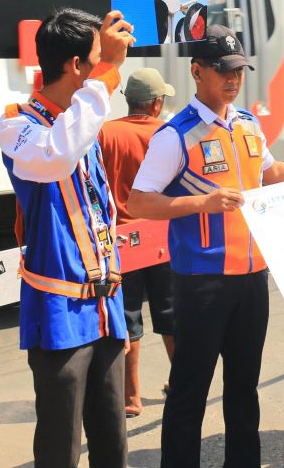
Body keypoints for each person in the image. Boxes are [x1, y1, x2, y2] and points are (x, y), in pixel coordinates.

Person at [128, 25, 284, 468]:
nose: (233, 78)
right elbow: (139, 201)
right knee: (190, 390)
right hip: (201, 283)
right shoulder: (174, 134)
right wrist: (202, 201)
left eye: (239, 70)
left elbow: (273, 173)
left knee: (244, 387)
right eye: (223, 70)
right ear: (197, 71)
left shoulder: (247, 124)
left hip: (252, 280)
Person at [0, 8, 135, 468]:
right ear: (77, 66)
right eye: (99, 59)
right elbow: (55, 157)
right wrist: (107, 78)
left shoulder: (84, 120)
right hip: (58, 313)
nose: (107, 69)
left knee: (112, 441)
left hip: (105, 307)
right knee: (60, 448)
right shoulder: (18, 123)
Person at [98, 67, 178, 418]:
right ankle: (180, 383)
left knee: (127, 319)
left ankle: (132, 399)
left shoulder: (105, 133)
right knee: (171, 315)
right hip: (163, 239)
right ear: (157, 103)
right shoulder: (169, 133)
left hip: (121, 243)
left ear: (129, 101)